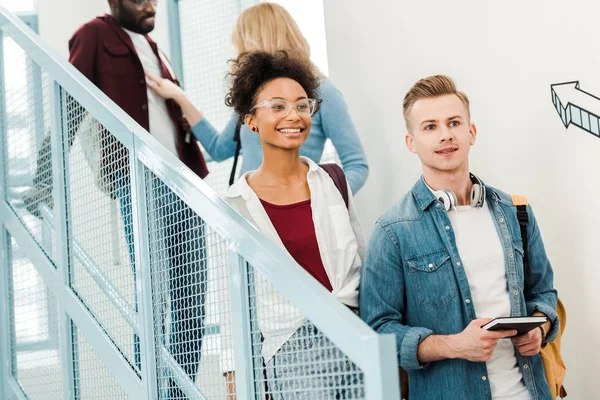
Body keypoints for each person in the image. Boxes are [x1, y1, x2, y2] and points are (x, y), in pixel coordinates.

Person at [23, 0, 208, 397]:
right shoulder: (95, 35)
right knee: (155, 298)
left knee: (192, 302)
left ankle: (180, 393)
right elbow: (67, 103)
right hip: (140, 183)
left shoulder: (154, 49)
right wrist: (44, 177)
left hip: (187, 186)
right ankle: (152, 392)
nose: (151, 4)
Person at [359, 75, 559, 399]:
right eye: (430, 127)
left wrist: (540, 326)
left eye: (454, 122)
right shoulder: (392, 231)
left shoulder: (515, 212)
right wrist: (453, 346)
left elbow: (544, 293)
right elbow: (378, 333)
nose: (445, 135)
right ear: (411, 142)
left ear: (471, 132)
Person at [225, 50, 365, 399]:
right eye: (277, 106)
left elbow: (362, 263)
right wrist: (233, 378)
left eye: (302, 105)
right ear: (250, 120)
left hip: (357, 333)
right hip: (293, 350)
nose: (294, 115)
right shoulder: (235, 206)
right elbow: (231, 304)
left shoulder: (334, 180)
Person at [150, 2, 368, 194]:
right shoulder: (254, 96)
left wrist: (322, 205)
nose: (237, 54)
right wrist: (179, 97)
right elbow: (219, 149)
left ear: (255, 44)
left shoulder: (323, 92)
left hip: (293, 218)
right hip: (250, 219)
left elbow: (356, 164)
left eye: (241, 46)